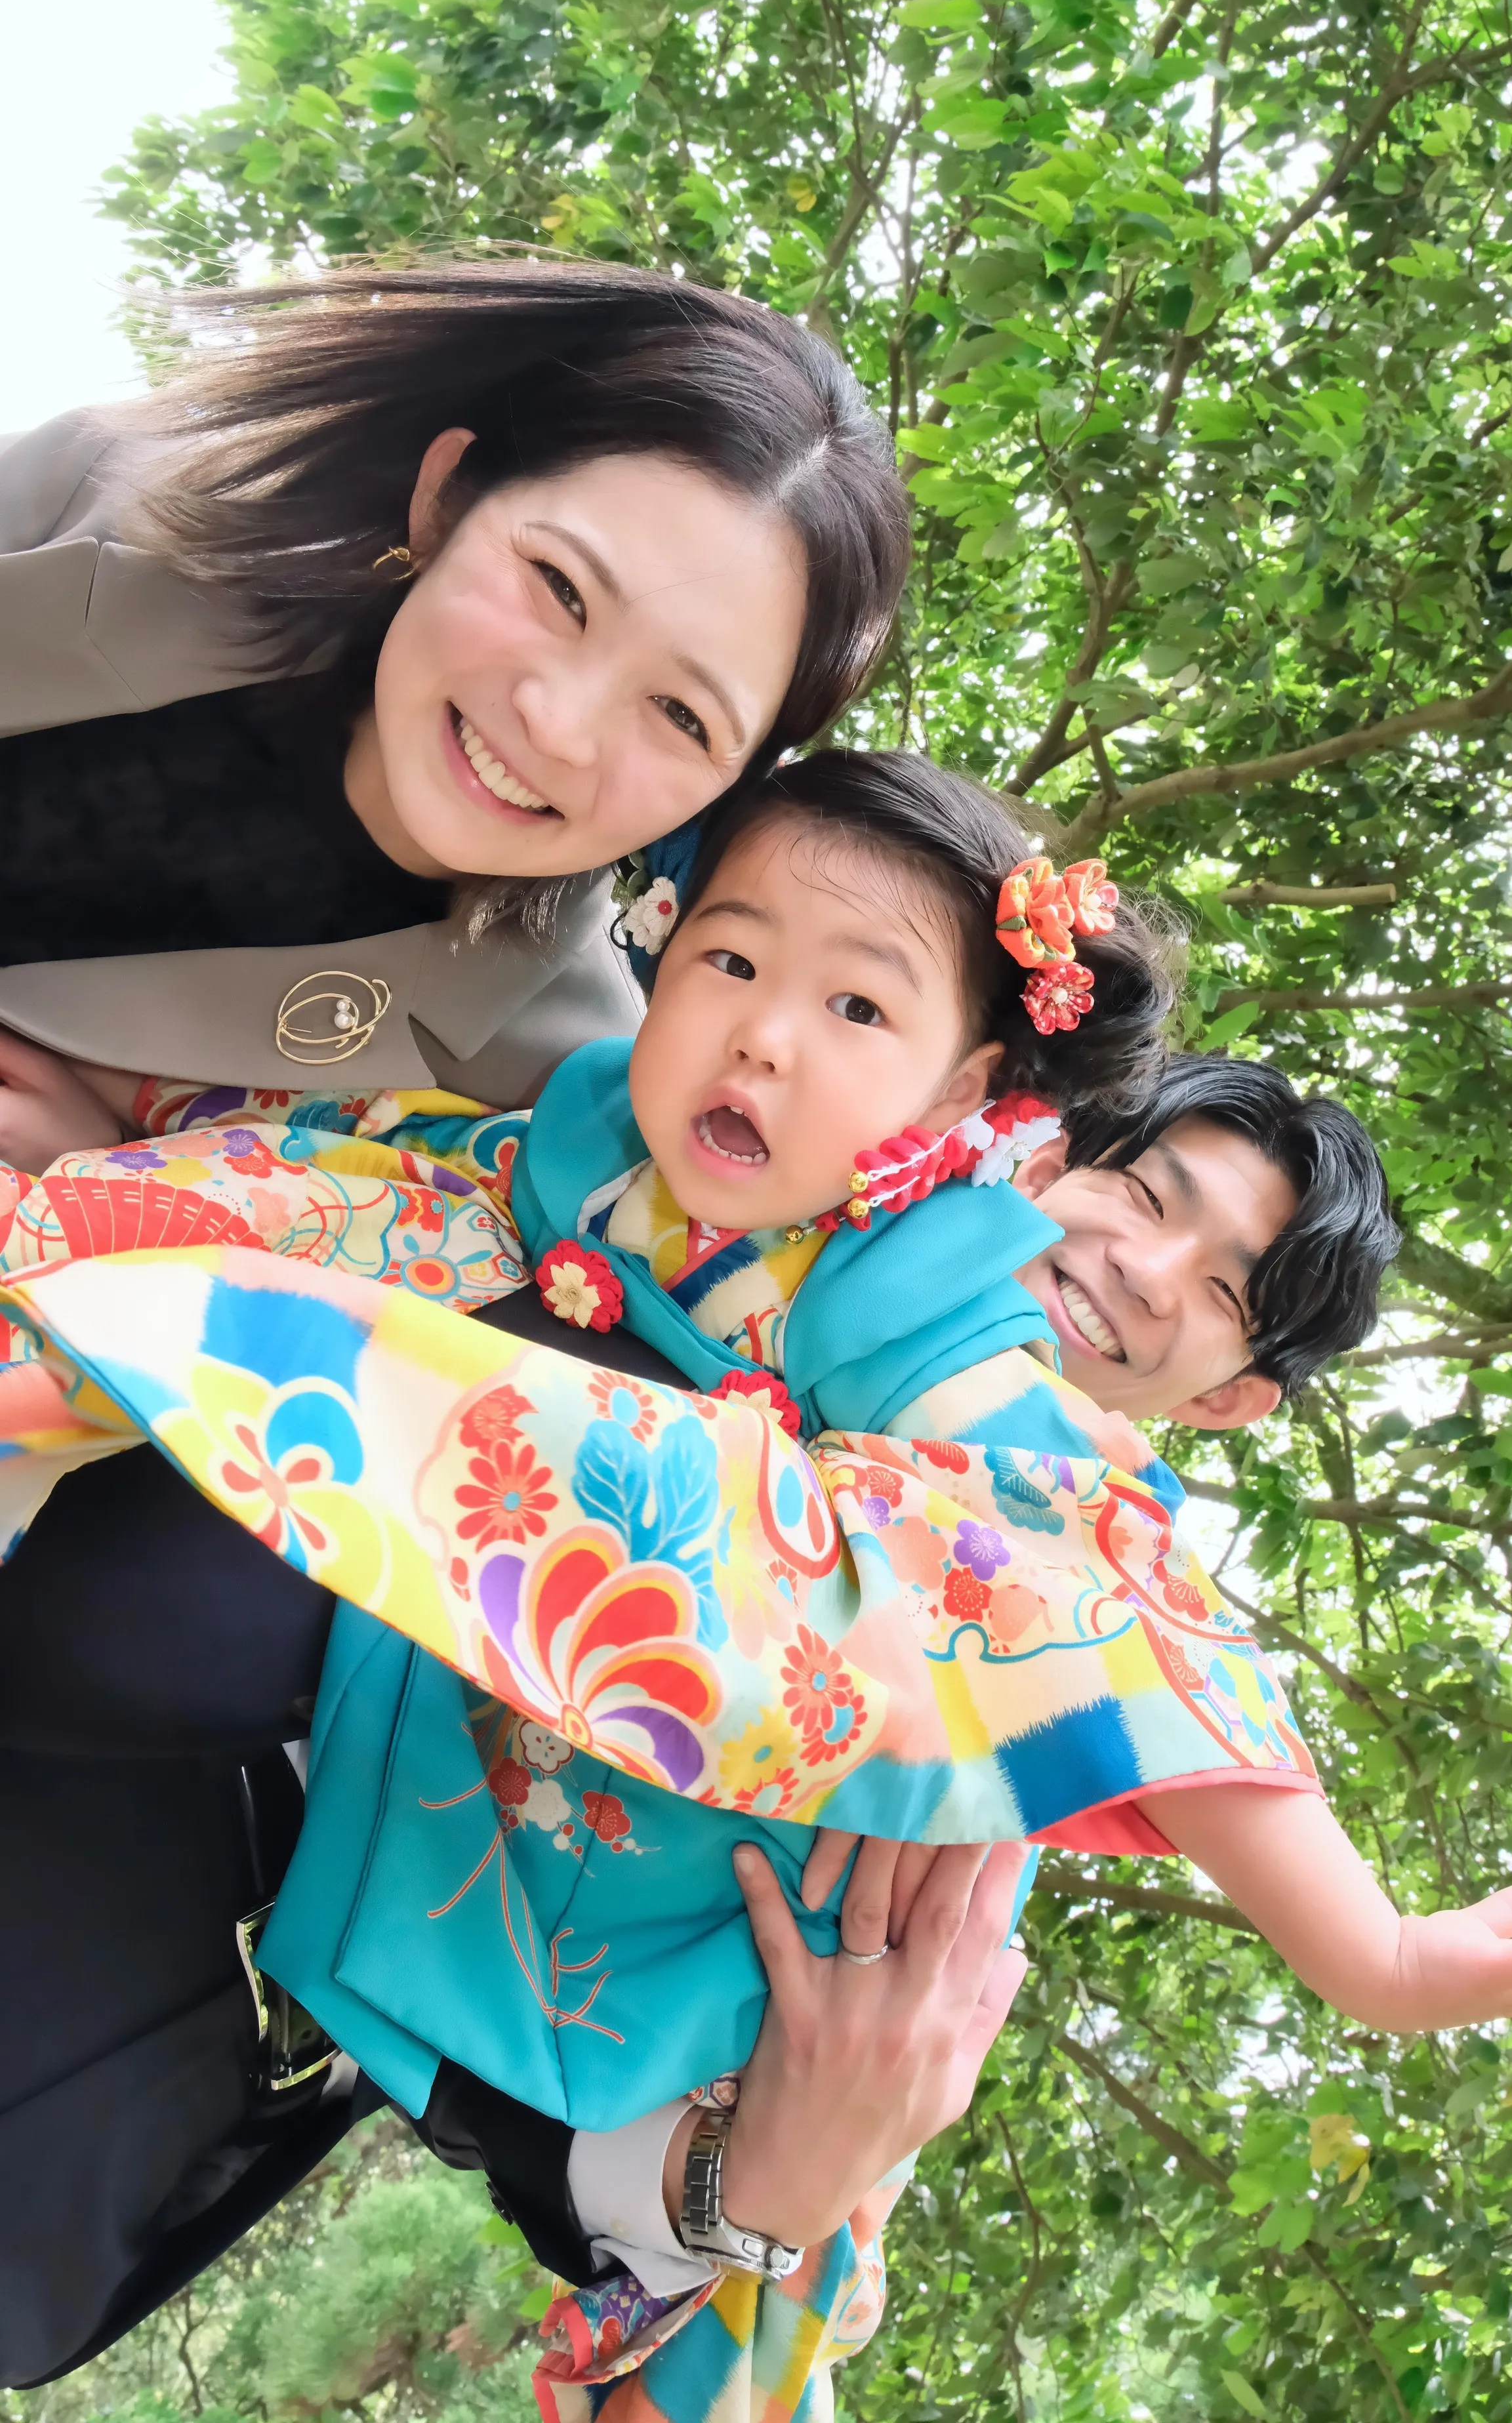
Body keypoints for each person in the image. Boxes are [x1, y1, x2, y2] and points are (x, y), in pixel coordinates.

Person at [9, 756, 1499, 2420]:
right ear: (1025, 1142)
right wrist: (140, 1170)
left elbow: (1123, 1621)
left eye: (1218, 1289)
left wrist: (1384, 1950)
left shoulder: (971, 1426)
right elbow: (386, 1176)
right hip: (303, 1804)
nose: (1137, 1266)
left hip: (533, 1985)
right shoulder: (629, 1156)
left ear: (1231, 1394)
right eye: (1145, 1192)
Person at [0, 257, 919, 2388]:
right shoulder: (127, 510)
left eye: (680, 716)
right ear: (443, 490)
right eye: (557, 588)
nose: (558, 727)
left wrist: (763, 2197)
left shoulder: (558, 1072)